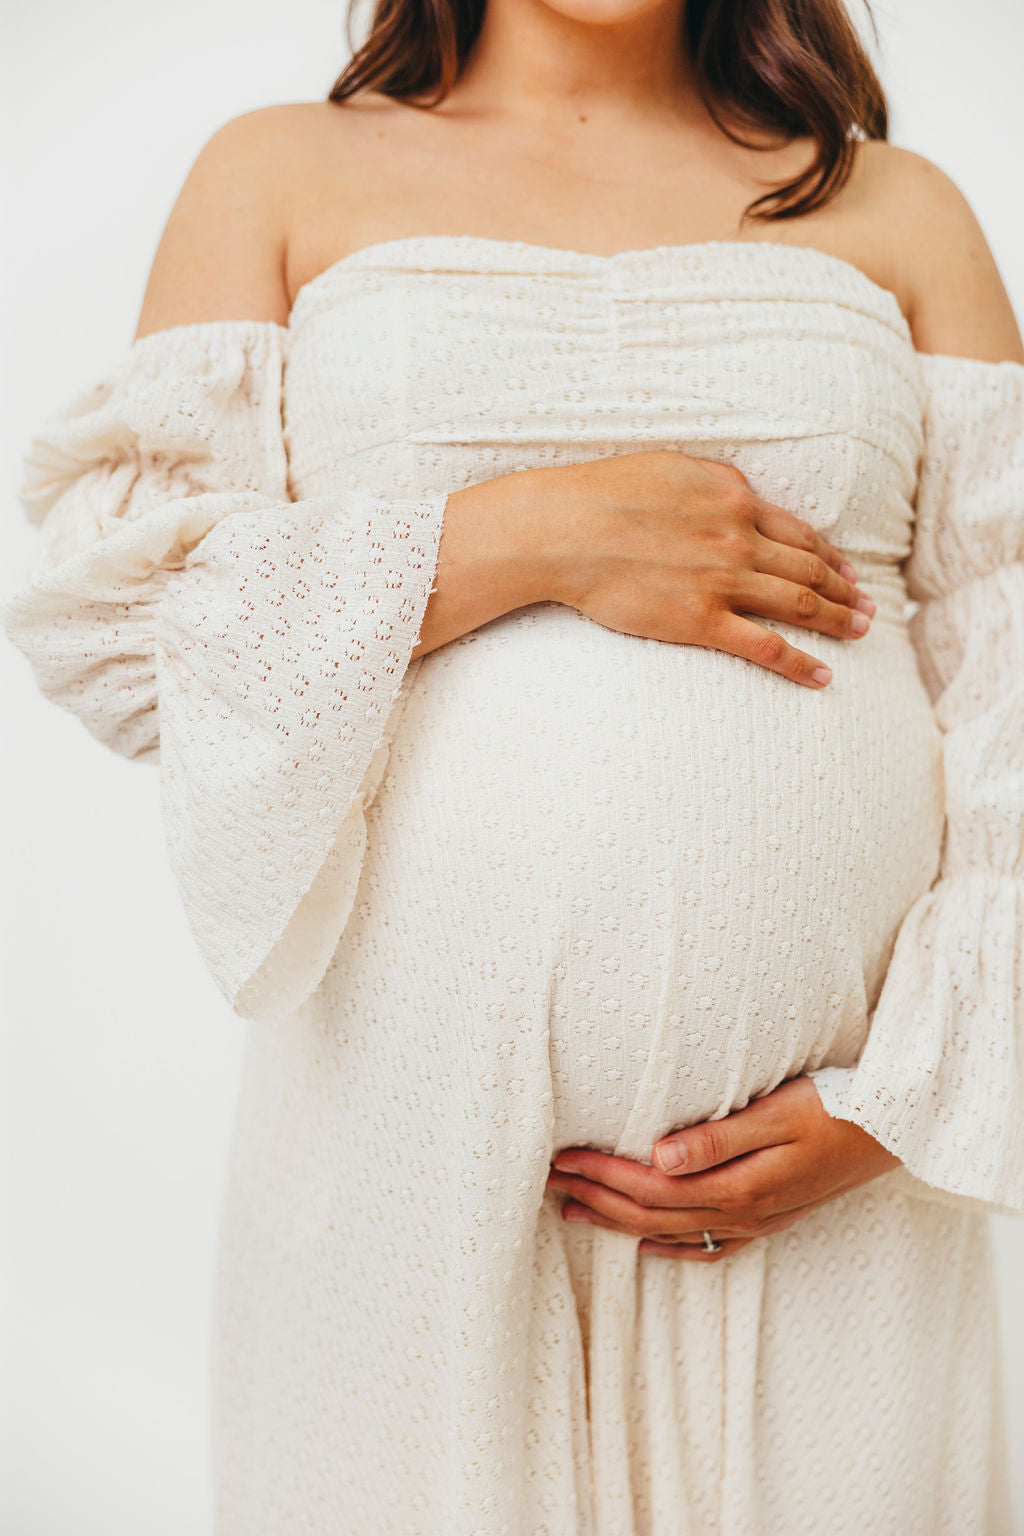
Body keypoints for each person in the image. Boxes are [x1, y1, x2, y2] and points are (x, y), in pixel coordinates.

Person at [4, 0, 1023, 1530]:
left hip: (838, 1185)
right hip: (407, 1163)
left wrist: (921, 1088)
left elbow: (1015, 666)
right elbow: (118, 623)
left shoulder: (895, 206)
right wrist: (523, 537)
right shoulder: (276, 176)